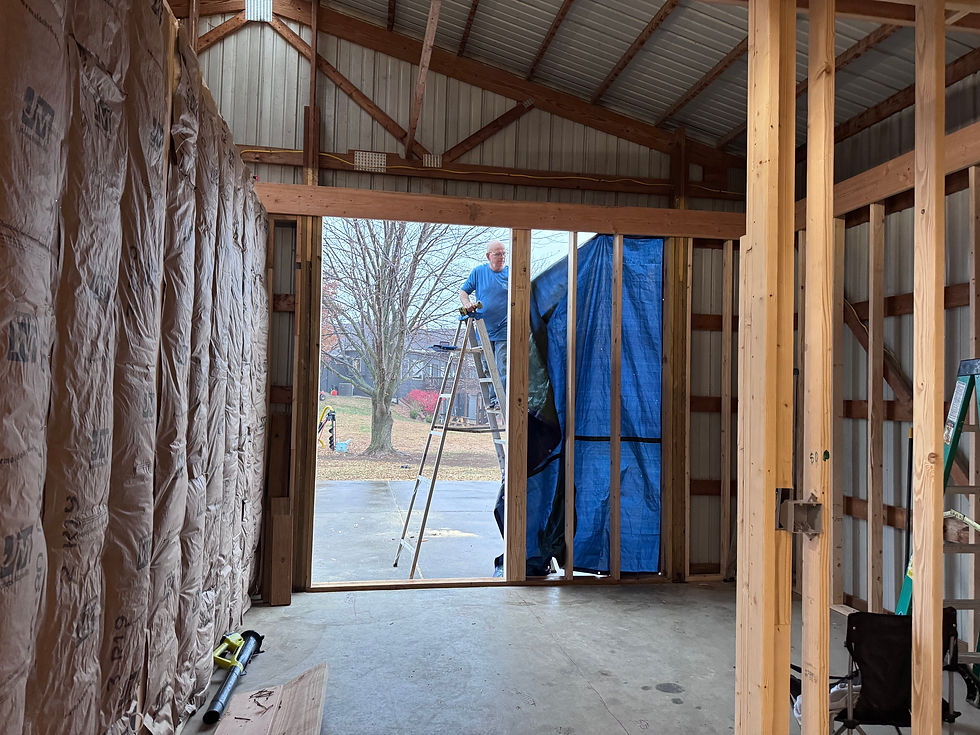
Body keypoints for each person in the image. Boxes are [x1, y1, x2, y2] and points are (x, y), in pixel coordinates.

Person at [459, 240, 508, 408]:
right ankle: (494, 400)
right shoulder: (479, 272)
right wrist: (467, 304)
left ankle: (504, 401)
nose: (502, 257)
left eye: (503, 253)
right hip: (484, 328)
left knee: (502, 365)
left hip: (504, 327)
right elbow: (463, 292)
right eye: (498, 254)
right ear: (489, 256)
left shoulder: (511, 274)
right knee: (488, 366)